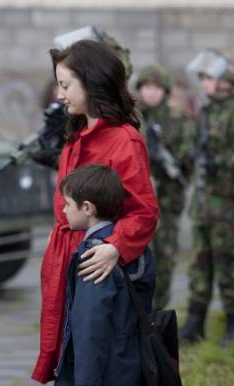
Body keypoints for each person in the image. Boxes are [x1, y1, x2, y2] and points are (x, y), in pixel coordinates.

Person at [31, 40, 159, 383]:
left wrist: (116, 247)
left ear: (92, 81)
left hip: (98, 270)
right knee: (68, 356)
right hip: (68, 259)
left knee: (98, 359)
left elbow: (144, 212)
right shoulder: (76, 137)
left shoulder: (123, 140)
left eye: (66, 85)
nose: (60, 95)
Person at [180, 48, 234, 344]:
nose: (203, 82)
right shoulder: (206, 111)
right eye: (202, 77)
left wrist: (222, 161)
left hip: (229, 204)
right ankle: (194, 324)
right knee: (199, 264)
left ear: (224, 80)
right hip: (205, 202)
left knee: (227, 265)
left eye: (208, 77)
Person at [54, 164, 155, 386]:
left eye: (68, 204)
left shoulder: (94, 257)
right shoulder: (134, 248)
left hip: (105, 373)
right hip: (129, 365)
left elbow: (90, 330)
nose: (63, 210)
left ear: (88, 208)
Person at [135, 64, 195, 311]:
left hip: (167, 201)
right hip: (138, 202)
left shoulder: (177, 120)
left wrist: (171, 157)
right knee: (137, 258)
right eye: (147, 87)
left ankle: (158, 312)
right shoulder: (132, 118)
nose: (152, 93)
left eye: (157, 88)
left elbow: (187, 161)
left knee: (165, 258)